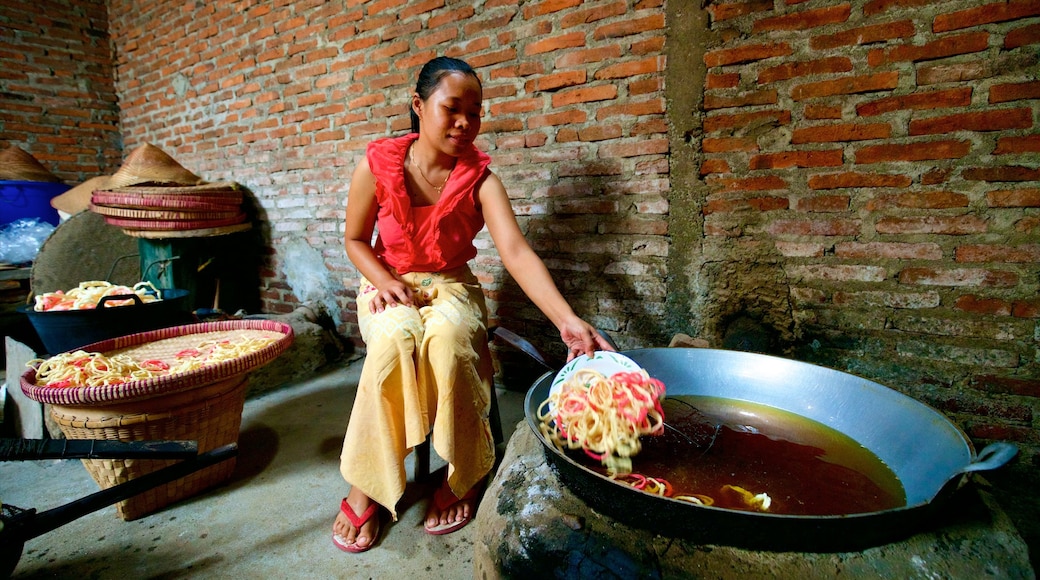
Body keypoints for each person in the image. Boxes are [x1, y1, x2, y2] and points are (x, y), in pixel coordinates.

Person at [331, 56, 614, 553]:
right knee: (395, 338)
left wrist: (568, 322)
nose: (465, 123)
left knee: (448, 339)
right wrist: (383, 280)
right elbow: (355, 240)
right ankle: (368, 483)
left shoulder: (482, 181)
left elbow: (517, 253)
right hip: (386, 280)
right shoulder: (375, 167)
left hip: (452, 285)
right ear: (418, 107)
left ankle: (465, 471)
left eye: (476, 113)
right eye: (452, 109)